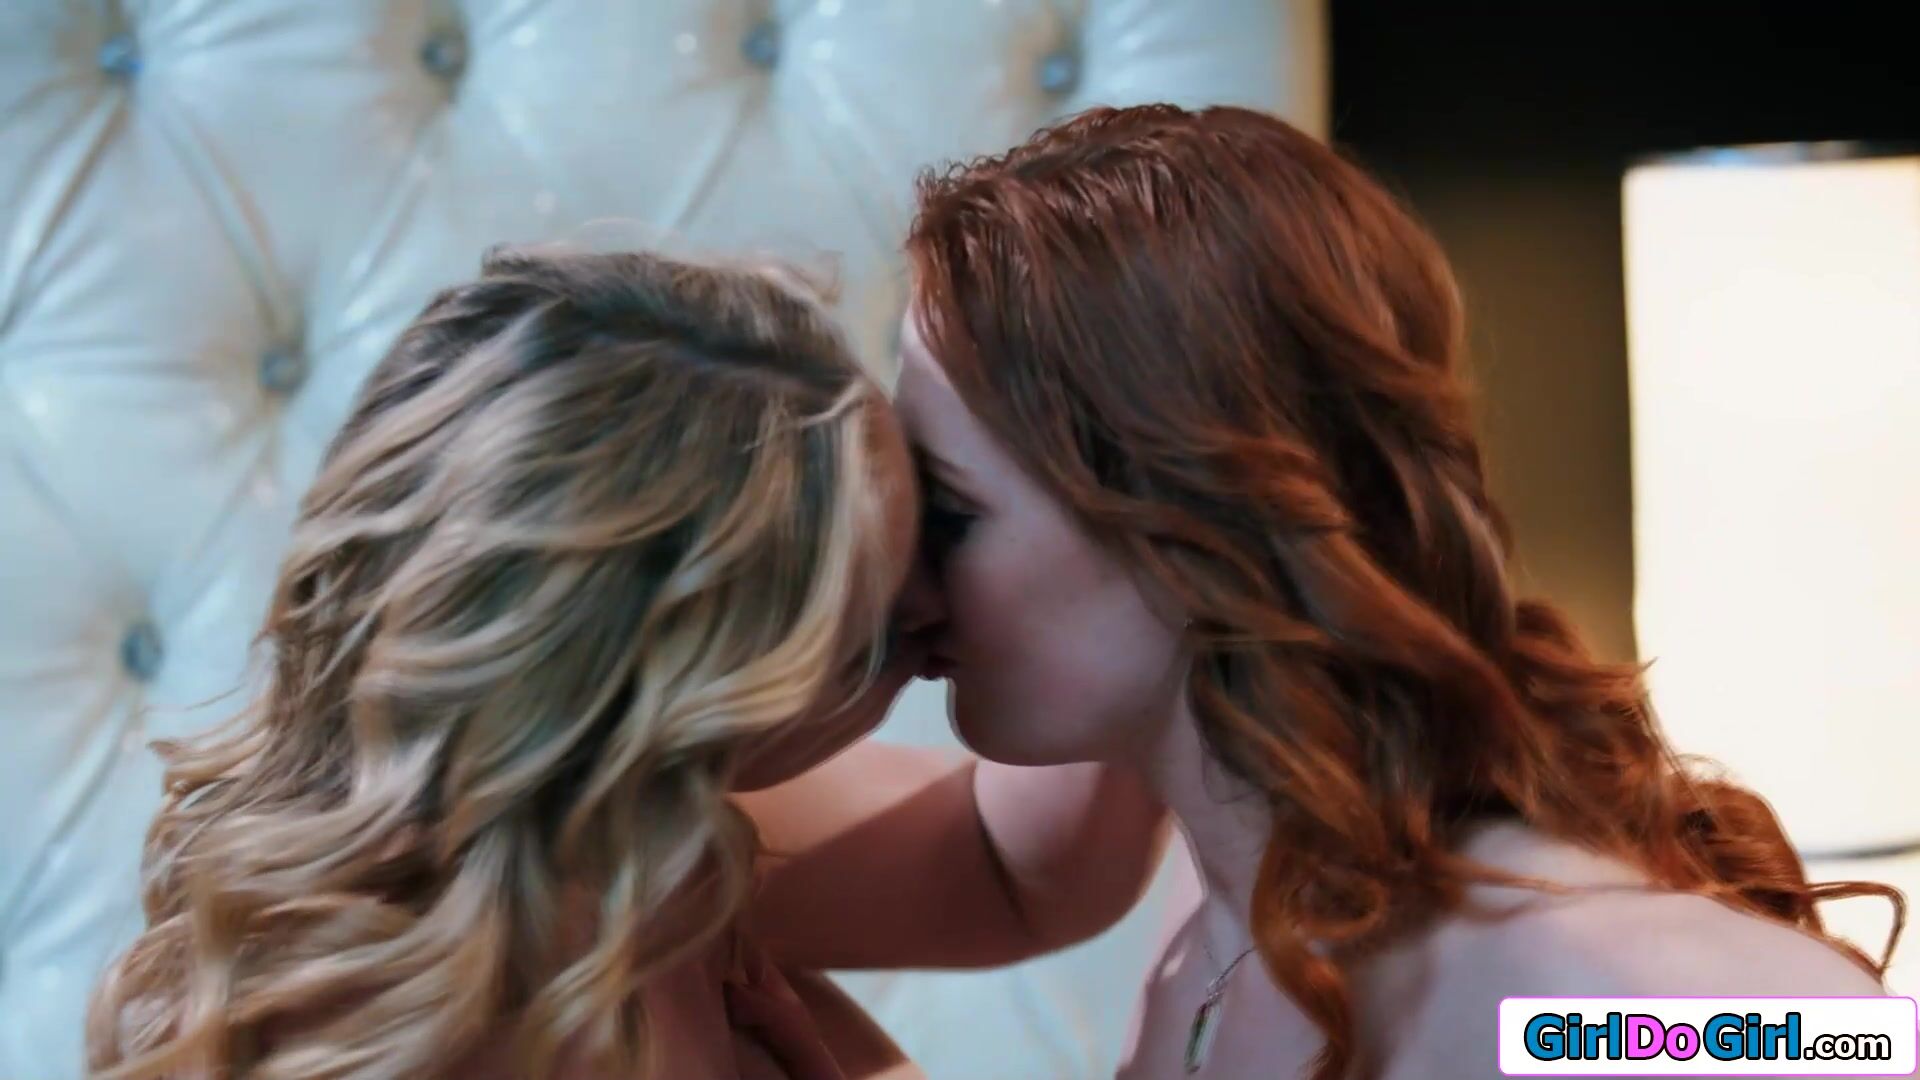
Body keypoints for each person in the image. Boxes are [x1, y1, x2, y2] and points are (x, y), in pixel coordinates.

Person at [892, 103, 1906, 1080]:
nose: (906, 589)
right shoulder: (1215, 929)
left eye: (952, 515)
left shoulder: (1602, 993)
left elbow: (1833, 1040)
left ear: (1193, 512)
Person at [84, 247, 1168, 1080]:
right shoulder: (361, 1027)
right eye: (872, 644)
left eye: (941, 528)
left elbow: (1003, 866)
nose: (942, 613)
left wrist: (1142, 544)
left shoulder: (635, 849)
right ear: (657, 714)